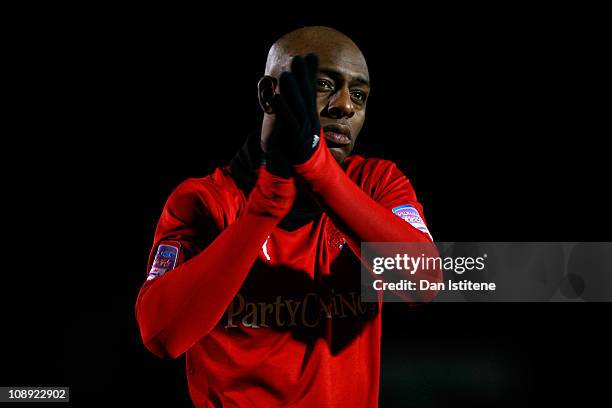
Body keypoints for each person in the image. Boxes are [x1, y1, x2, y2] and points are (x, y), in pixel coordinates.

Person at [136, 26, 437, 407]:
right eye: (325, 85)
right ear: (268, 95)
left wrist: (317, 169)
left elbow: (422, 283)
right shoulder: (205, 200)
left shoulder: (377, 183)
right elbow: (162, 337)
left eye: (358, 95)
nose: (345, 106)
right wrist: (267, 205)